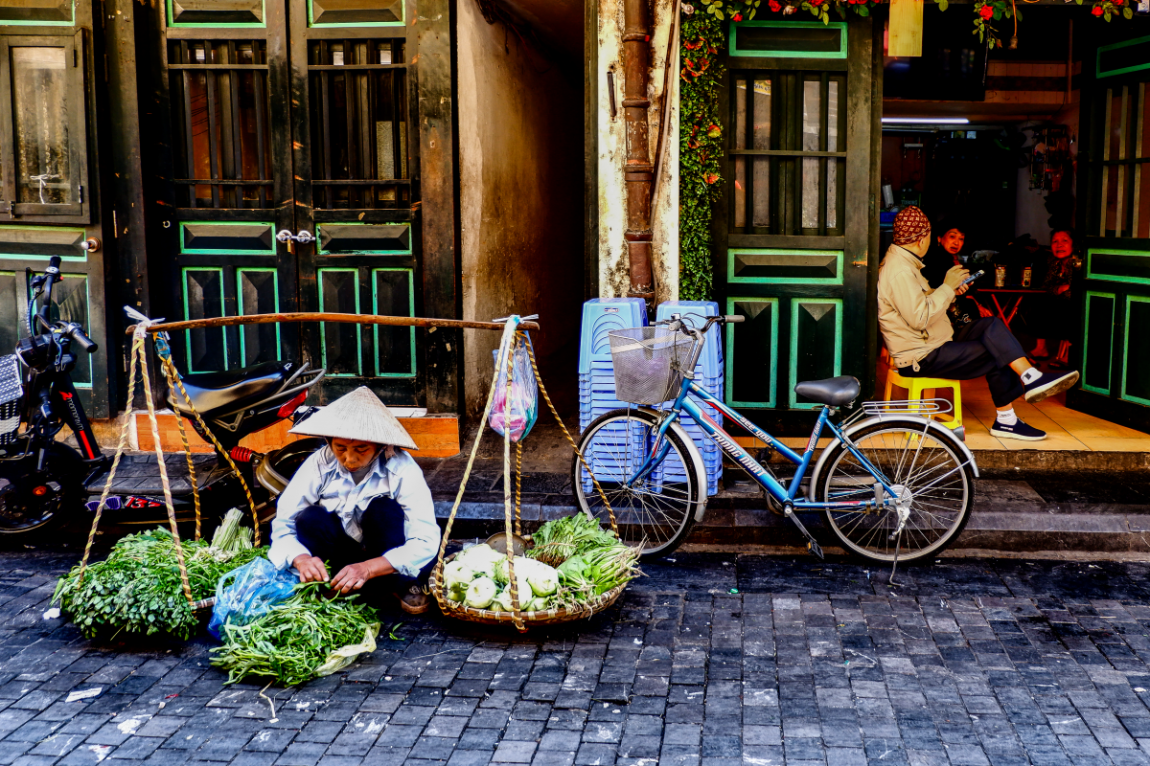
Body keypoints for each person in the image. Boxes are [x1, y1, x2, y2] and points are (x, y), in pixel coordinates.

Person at [878, 206, 1080, 442]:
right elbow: (919, 317)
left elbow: (921, 304)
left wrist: (951, 292)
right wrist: (946, 286)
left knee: (991, 326)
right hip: (922, 356)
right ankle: (1008, 418)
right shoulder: (900, 270)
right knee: (996, 350)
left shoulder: (907, 264)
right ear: (923, 238)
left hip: (935, 341)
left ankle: (1030, 377)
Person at [268, 386, 440, 614]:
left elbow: (426, 539)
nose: (349, 459)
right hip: (342, 557)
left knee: (383, 509)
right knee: (310, 518)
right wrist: (300, 559)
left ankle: (401, 585)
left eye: (361, 449)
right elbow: (283, 524)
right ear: (329, 442)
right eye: (340, 448)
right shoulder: (318, 464)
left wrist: (369, 568)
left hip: (387, 558)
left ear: (379, 446)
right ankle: (331, 583)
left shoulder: (402, 468)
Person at [919, 219, 994, 340]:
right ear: (939, 238)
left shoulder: (952, 260)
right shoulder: (935, 259)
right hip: (941, 317)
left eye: (961, 239)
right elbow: (938, 290)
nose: (956, 243)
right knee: (989, 326)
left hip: (953, 312)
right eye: (952, 236)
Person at [1026, 228, 1078, 367]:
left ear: (1074, 244)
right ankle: (1041, 349)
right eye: (1055, 241)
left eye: (1064, 241)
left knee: (1070, 308)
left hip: (1076, 305)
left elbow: (1075, 292)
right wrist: (1060, 288)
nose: (1059, 245)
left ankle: (1069, 355)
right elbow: (1046, 287)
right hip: (1060, 302)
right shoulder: (1054, 263)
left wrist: (1061, 290)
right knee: (1039, 302)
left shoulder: (1077, 264)